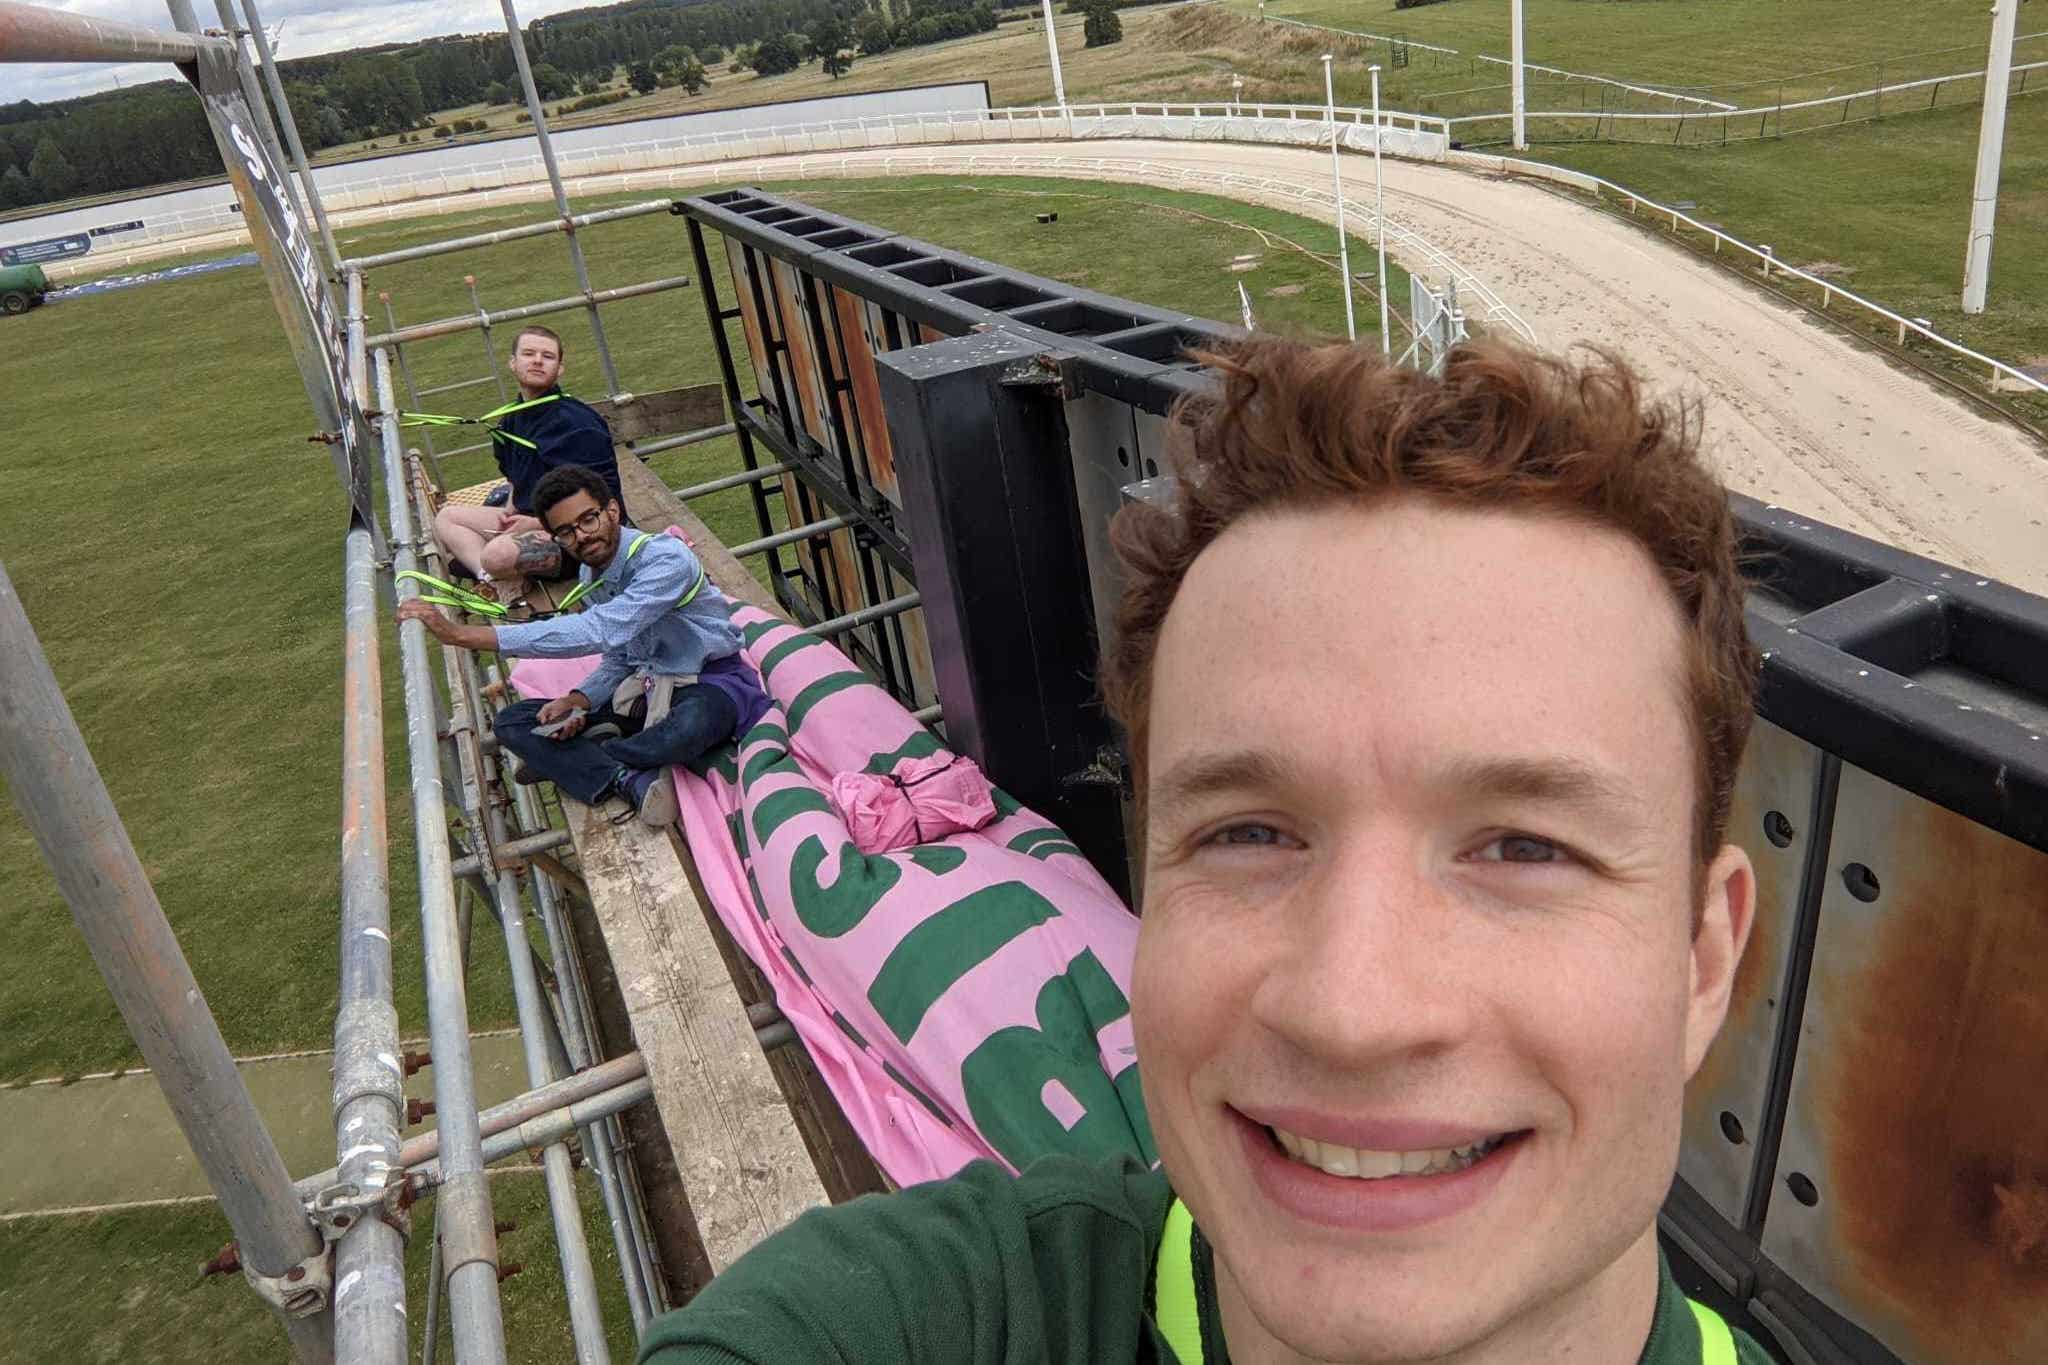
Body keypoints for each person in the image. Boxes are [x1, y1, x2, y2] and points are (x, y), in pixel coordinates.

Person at [632, 334, 1774, 1364]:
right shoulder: (930, 1315)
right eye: (1246, 833)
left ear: (1702, 961)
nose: (1348, 1009)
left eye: (1523, 848)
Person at [398, 463, 768, 827]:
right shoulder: (592, 573)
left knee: (689, 726)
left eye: (588, 520)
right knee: (514, 721)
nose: (582, 536)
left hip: (709, 680)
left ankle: (587, 759)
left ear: (612, 510)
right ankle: (626, 777)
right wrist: (579, 700)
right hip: (646, 685)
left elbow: (600, 630)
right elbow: (620, 656)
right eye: (565, 532)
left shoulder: (665, 559)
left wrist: (465, 635)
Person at [431, 324, 625, 600]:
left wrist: (536, 525)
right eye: (528, 354)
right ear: (513, 363)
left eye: (547, 356)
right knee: (447, 517)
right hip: (525, 518)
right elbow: (515, 477)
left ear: (559, 369)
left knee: (497, 554)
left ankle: (501, 569)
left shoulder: (578, 423)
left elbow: (601, 501)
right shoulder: (510, 419)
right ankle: (490, 578)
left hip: (579, 533)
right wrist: (509, 510)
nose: (537, 360)